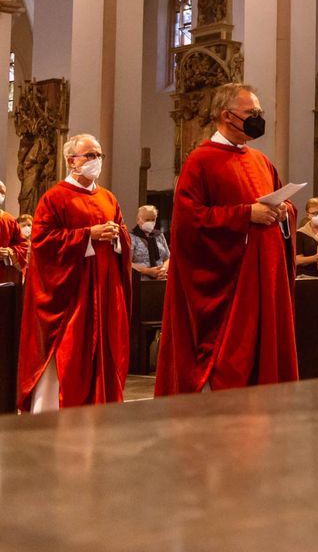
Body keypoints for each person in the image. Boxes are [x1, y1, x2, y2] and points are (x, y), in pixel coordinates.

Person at [155, 82, 299, 395]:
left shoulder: (262, 161)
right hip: (230, 281)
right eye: (251, 113)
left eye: (259, 113)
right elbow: (189, 222)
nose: (257, 119)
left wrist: (284, 211)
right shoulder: (201, 161)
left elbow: (279, 203)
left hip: (265, 277)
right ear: (226, 116)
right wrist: (246, 214)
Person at [17, 134, 132, 412]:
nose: (96, 161)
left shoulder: (108, 198)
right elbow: (43, 242)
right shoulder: (54, 198)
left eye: (99, 155)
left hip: (104, 288)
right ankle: (54, 410)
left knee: (104, 349)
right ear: (72, 161)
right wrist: (87, 237)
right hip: (72, 294)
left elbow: (124, 233)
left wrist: (117, 237)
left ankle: (101, 404)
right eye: (90, 155)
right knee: (70, 351)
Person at [130, 204, 170, 280]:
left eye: (153, 219)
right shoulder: (131, 237)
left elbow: (167, 258)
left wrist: (163, 270)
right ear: (138, 220)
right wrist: (148, 271)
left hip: (161, 279)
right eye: (147, 220)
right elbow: (127, 263)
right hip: (141, 281)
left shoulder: (159, 235)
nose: (150, 222)